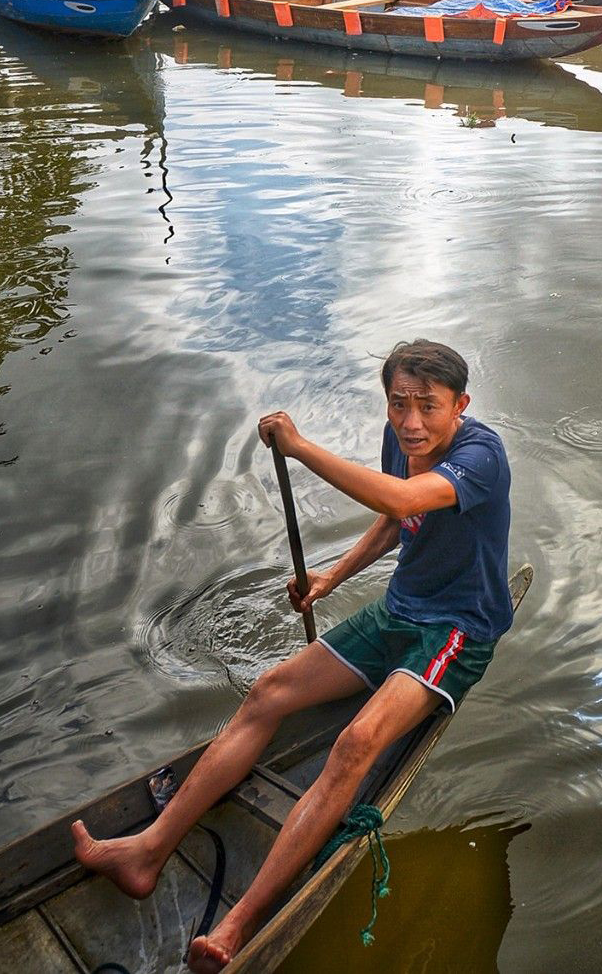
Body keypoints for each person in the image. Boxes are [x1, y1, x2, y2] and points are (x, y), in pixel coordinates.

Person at [72, 339, 512, 974]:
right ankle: (146, 850)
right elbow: (394, 526)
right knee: (268, 692)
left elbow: (404, 502)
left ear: (460, 405)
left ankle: (239, 924)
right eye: (398, 405)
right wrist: (330, 580)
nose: (411, 422)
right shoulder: (406, 443)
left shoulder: (482, 455)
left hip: (457, 631)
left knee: (357, 744)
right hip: (398, 611)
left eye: (428, 408)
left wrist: (302, 447)